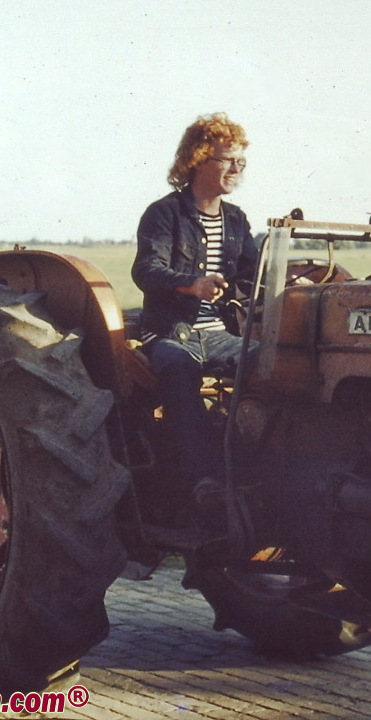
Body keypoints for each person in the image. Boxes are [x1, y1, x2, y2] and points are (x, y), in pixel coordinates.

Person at [132, 112, 258, 502]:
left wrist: (289, 286)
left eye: (241, 161)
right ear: (199, 160)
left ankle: (254, 465)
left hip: (221, 336)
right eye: (227, 160)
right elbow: (147, 269)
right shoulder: (164, 214)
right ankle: (202, 480)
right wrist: (192, 285)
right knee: (179, 370)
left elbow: (251, 275)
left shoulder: (236, 220)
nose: (236, 168)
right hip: (173, 334)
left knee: (268, 364)